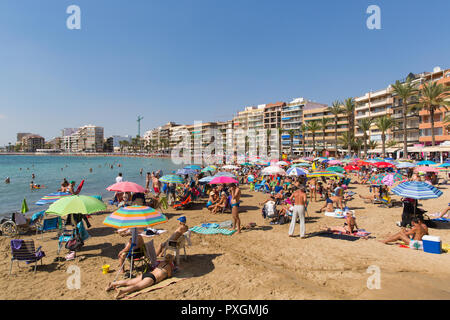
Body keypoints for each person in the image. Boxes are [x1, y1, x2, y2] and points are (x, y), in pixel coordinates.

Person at [106, 254, 175, 300]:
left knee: (129, 282)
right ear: (171, 260)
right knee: (137, 286)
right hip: (152, 278)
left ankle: (113, 283)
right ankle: (122, 291)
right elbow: (169, 276)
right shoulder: (169, 267)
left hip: (147, 274)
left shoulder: (161, 263)